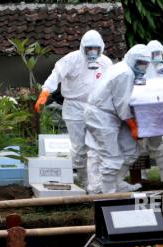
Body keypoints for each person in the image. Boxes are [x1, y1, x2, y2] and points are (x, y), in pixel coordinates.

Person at [35, 30, 112, 190]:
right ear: (83, 47)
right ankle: (83, 180)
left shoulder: (105, 62)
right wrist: (45, 92)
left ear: (101, 48)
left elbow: (113, 82)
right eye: (89, 48)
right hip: (74, 107)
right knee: (79, 149)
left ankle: (94, 183)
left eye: (95, 49)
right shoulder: (72, 59)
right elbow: (56, 74)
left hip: (97, 108)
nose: (92, 52)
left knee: (95, 147)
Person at [85, 44, 151, 193]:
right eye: (140, 63)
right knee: (112, 158)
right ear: (132, 59)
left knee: (131, 151)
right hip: (102, 116)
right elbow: (122, 105)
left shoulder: (123, 67)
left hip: (112, 115)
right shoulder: (125, 73)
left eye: (145, 64)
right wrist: (134, 126)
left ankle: (116, 182)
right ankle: (107, 194)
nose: (143, 67)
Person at [137, 40, 163, 182]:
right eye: (154, 54)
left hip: (159, 114)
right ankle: (141, 177)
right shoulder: (141, 69)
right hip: (143, 114)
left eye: (159, 53)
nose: (157, 57)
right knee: (140, 146)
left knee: (160, 145)